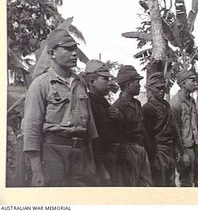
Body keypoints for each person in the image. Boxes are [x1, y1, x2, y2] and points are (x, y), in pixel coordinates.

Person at [22, 28, 106, 186]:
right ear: (52, 53)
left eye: (75, 49)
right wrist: (37, 170)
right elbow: (32, 129)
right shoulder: (41, 84)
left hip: (81, 156)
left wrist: (97, 165)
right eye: (67, 49)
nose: (74, 53)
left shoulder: (81, 85)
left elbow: (91, 130)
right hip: (53, 153)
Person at [84, 59, 123, 186]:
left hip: (112, 157)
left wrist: (118, 117)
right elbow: (94, 139)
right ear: (92, 82)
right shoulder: (89, 103)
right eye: (105, 79)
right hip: (101, 160)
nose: (109, 83)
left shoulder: (103, 102)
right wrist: (101, 167)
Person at [113, 65, 152, 186]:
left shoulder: (137, 103)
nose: (139, 85)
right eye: (137, 82)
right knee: (131, 184)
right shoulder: (118, 106)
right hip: (129, 149)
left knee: (147, 185)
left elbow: (143, 128)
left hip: (141, 148)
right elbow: (118, 134)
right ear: (128, 84)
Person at [142, 72, 183, 186]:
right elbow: (148, 135)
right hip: (158, 149)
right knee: (160, 181)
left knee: (171, 181)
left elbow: (173, 128)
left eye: (163, 88)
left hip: (169, 149)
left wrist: (177, 148)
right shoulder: (147, 108)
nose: (162, 91)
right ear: (150, 89)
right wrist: (153, 155)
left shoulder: (166, 105)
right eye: (158, 88)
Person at [170, 69, 198, 187]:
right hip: (185, 148)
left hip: (196, 144)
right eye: (192, 81)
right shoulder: (175, 103)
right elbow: (175, 131)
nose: (196, 83)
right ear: (183, 83)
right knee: (187, 180)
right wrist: (182, 152)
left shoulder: (192, 100)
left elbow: (197, 122)